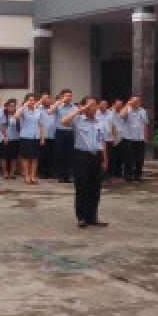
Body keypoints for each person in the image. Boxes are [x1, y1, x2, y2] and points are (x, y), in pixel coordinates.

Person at [63, 96, 108, 227]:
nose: (92, 108)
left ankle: (93, 216)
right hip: (81, 156)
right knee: (82, 187)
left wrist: (105, 159)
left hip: (96, 156)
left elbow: (102, 142)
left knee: (95, 188)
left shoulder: (100, 122)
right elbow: (64, 121)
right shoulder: (78, 120)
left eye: (94, 105)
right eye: (89, 105)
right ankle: (81, 217)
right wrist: (80, 110)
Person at [117, 97, 150, 182]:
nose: (136, 103)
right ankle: (128, 176)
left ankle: (137, 176)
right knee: (128, 158)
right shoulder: (127, 109)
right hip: (128, 138)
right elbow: (121, 115)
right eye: (134, 101)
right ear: (131, 101)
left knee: (139, 159)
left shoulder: (143, 111)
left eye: (138, 101)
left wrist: (146, 136)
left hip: (140, 138)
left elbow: (145, 124)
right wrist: (127, 105)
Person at [16, 94, 45, 184]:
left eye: (33, 100)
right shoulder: (23, 110)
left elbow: (41, 125)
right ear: (26, 101)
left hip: (36, 137)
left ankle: (32, 176)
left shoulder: (38, 111)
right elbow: (16, 116)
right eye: (30, 100)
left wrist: (42, 138)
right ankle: (26, 176)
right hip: (25, 136)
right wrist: (24, 106)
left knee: (35, 158)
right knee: (25, 157)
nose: (31, 102)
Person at [51, 90, 77, 183]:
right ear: (62, 96)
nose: (69, 98)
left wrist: (70, 123)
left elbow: (76, 119)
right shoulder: (58, 106)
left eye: (70, 96)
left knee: (70, 154)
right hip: (60, 132)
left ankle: (68, 175)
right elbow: (50, 111)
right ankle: (60, 175)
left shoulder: (74, 107)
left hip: (70, 131)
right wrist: (60, 101)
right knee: (60, 154)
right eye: (67, 96)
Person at [38, 92, 56, 179]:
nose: (46, 100)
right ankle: (43, 172)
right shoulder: (38, 108)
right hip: (42, 135)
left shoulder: (54, 108)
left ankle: (51, 172)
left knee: (52, 155)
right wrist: (41, 100)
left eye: (47, 98)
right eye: (44, 98)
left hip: (53, 135)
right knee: (42, 155)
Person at [1, 99, 20, 180]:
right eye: (10, 106)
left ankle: (12, 173)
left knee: (14, 156)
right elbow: (2, 127)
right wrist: (5, 136)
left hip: (15, 138)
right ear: (7, 106)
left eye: (14, 106)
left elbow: (19, 128)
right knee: (3, 156)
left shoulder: (17, 115)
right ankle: (5, 172)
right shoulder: (3, 115)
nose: (12, 107)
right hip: (5, 138)